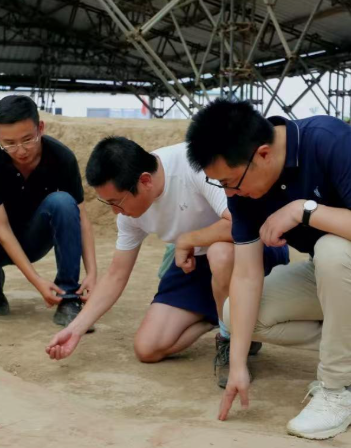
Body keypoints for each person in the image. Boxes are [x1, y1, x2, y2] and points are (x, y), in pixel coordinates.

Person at [185, 99, 351, 440]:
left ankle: (340, 392)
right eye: (221, 184)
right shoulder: (243, 186)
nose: (230, 193)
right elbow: (245, 276)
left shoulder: (328, 140)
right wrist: (238, 364)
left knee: (333, 248)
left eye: (231, 182)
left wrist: (302, 210)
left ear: (263, 154)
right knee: (236, 313)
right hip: (334, 271)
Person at [45, 136, 289, 385]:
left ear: (145, 181)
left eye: (116, 202)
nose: (115, 211)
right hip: (195, 262)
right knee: (147, 348)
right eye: (107, 203)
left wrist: (188, 240)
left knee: (220, 253)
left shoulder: (194, 165)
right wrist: (75, 329)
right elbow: (116, 275)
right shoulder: (128, 212)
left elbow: (244, 225)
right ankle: (219, 316)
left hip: (251, 252)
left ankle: (232, 339)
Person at [0, 95, 97, 327]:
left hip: (33, 236)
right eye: (9, 143)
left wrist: (92, 273)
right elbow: (1, 229)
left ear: (41, 128)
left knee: (63, 202)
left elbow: (82, 219)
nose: (20, 151)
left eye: (28, 139)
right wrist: (37, 281)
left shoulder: (62, 158)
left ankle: (69, 297)